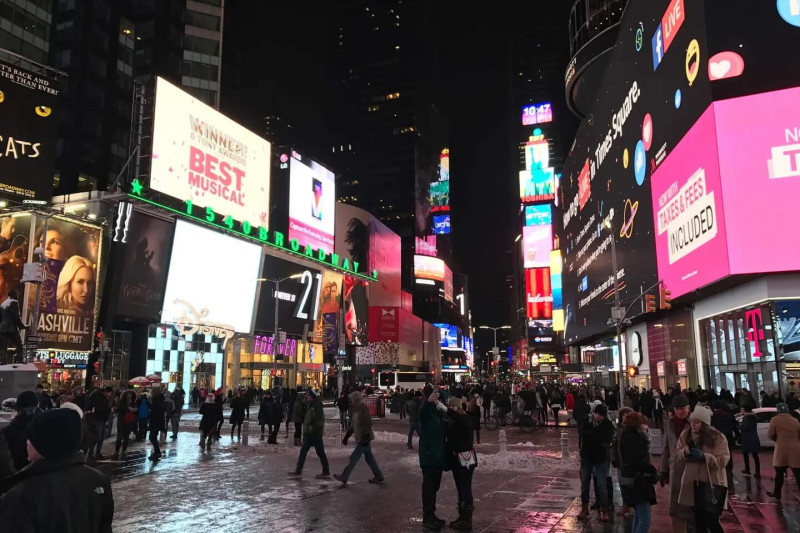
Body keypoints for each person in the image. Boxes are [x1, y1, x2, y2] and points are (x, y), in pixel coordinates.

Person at [0, 408, 114, 531]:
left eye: (31, 437)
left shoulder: (23, 494)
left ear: (45, 443)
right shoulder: (98, 479)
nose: (27, 442)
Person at [676, 406, 730, 533]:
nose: (693, 424)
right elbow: (677, 454)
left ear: (704, 423)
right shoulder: (686, 435)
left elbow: (723, 460)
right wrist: (686, 451)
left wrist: (705, 457)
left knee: (712, 520)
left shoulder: (718, 437)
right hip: (693, 484)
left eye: (697, 422)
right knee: (698, 521)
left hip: (711, 484)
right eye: (692, 421)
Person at [619, 412, 658, 533]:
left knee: (639, 516)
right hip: (638, 482)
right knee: (645, 520)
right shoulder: (634, 438)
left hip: (632, 480)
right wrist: (651, 471)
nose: (645, 426)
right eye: (643, 423)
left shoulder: (627, 436)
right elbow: (638, 461)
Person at [334, 391, 384, 485]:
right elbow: (354, 426)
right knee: (369, 458)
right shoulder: (356, 409)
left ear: (355, 399)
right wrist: (346, 437)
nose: (351, 400)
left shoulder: (362, 409)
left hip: (364, 437)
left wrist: (365, 435)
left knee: (354, 458)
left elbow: (368, 423)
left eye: (352, 399)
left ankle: (345, 476)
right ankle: (378, 475)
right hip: (363, 437)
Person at [660, 394, 693, 533]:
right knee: (676, 508)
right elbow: (666, 447)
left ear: (689, 408)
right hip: (675, 471)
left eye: (683, 408)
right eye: (677, 408)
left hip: (692, 470)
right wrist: (663, 470)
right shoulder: (669, 424)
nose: (680, 411)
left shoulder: (694, 423)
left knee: (692, 508)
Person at [417, 388, 448, 530]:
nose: (438, 401)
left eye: (439, 399)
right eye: (436, 398)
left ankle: (432, 514)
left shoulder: (439, 414)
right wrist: (427, 403)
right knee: (429, 488)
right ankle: (427, 516)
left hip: (438, 457)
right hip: (429, 457)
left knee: (434, 487)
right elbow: (420, 415)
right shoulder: (427, 412)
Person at [578, 403, 614, 521]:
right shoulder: (587, 421)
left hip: (600, 458)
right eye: (595, 413)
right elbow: (582, 433)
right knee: (585, 483)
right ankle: (584, 507)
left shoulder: (608, 425)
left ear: (603, 415)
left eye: (599, 414)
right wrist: (596, 438)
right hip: (587, 457)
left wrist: (593, 437)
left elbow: (607, 440)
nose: (596, 416)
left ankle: (604, 509)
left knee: (601, 484)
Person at [446, 396, 477, 530]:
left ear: (458, 408)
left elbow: (460, 422)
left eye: (453, 407)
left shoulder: (464, 419)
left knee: (465, 487)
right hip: (458, 460)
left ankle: (466, 521)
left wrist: (447, 410)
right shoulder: (456, 420)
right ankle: (462, 517)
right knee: (461, 488)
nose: (451, 409)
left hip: (465, 459)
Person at [289, 390, 330, 478]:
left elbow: (319, 421)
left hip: (314, 434)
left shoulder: (316, 407)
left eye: (307, 396)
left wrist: (311, 429)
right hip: (309, 434)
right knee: (304, 452)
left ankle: (326, 471)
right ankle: (298, 470)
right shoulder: (310, 405)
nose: (306, 397)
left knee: (320, 453)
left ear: (312, 397)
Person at [0, 391, 40, 476]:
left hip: (15, 480)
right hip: (42, 479)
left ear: (18, 408)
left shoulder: (7, 431)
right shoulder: (47, 427)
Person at [766, 403, 800, 499]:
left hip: (781, 449)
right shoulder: (795, 420)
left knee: (779, 472)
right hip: (796, 449)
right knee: (798, 474)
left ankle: (777, 493)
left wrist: (777, 439)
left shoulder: (775, 420)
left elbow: (770, 434)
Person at [611, 406, 634, 517]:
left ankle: (631, 504)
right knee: (622, 483)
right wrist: (614, 458)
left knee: (631, 483)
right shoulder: (619, 429)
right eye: (624, 415)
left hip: (631, 461)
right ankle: (626, 504)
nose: (625, 417)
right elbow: (614, 445)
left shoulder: (635, 429)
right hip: (620, 460)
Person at [0, 288, 27, 364]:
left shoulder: (3, 304)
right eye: (17, 295)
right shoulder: (14, 303)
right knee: (19, 344)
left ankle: (3, 360)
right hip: (11, 328)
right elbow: (16, 316)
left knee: (3, 346)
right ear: (14, 295)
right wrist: (22, 326)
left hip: (2, 329)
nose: (17, 296)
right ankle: (19, 359)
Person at [86, 386, 112, 460]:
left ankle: (97, 453)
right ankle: (90, 454)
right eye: (109, 393)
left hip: (102, 419)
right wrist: (109, 409)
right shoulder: (98, 396)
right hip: (98, 419)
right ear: (106, 392)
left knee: (101, 437)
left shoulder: (103, 397)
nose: (110, 395)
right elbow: (99, 408)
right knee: (96, 437)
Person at [113, 389, 138, 459]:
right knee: (119, 437)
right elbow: (118, 409)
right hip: (121, 420)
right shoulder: (121, 401)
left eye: (130, 394)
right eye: (128, 394)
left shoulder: (133, 402)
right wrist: (128, 408)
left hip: (128, 421)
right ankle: (116, 452)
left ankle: (123, 451)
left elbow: (136, 409)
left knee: (126, 437)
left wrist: (133, 409)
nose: (129, 396)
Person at [738, 405, 761, 478]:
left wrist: (739, 426)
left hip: (747, 438)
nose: (741, 411)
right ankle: (757, 471)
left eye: (742, 409)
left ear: (745, 410)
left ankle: (748, 469)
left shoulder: (747, 418)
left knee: (746, 454)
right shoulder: (754, 417)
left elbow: (745, 427)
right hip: (753, 437)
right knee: (755, 456)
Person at [148, 387, 166, 461]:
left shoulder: (156, 400)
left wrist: (149, 402)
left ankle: (157, 452)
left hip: (155, 421)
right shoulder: (160, 399)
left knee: (152, 437)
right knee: (153, 437)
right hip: (157, 421)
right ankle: (157, 452)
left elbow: (155, 409)